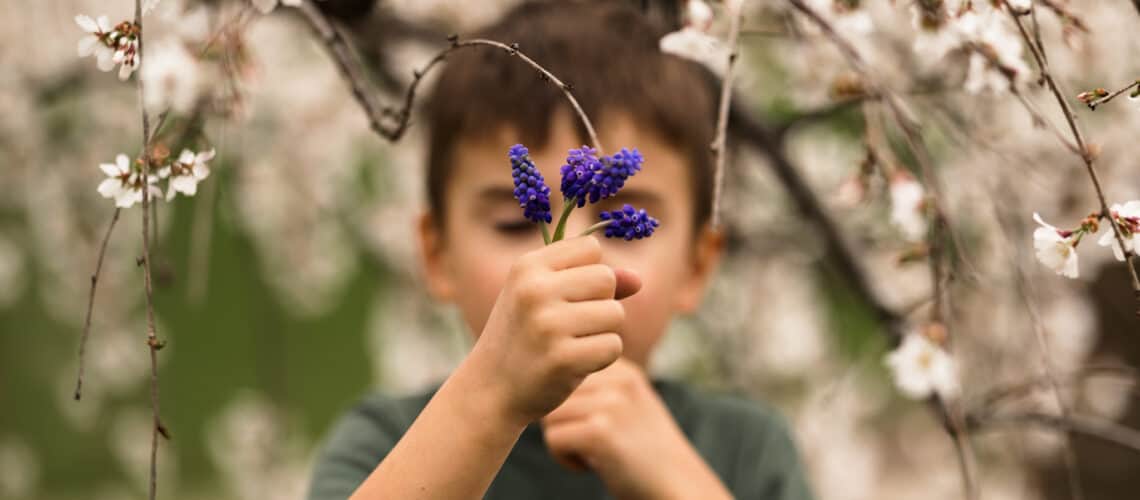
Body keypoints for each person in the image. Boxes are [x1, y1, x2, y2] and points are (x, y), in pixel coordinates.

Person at [307, 2, 814, 499]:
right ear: (438, 256)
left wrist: (677, 480)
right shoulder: (385, 442)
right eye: (511, 223)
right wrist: (492, 397)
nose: (569, 259)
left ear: (696, 266)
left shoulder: (746, 449)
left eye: (621, 224)